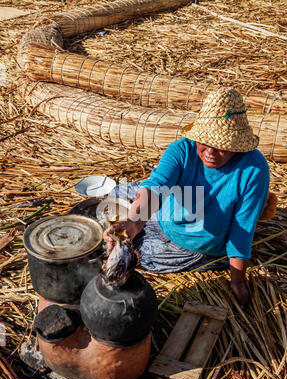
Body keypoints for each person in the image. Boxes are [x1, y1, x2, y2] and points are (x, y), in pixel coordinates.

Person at [104, 88, 270, 309]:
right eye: (205, 141)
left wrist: (237, 282)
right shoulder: (182, 149)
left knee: (142, 258)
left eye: (221, 145)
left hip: (191, 239)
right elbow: (156, 189)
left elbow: (241, 232)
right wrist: (132, 223)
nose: (210, 151)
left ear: (237, 144)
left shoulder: (253, 170)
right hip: (170, 207)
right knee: (118, 196)